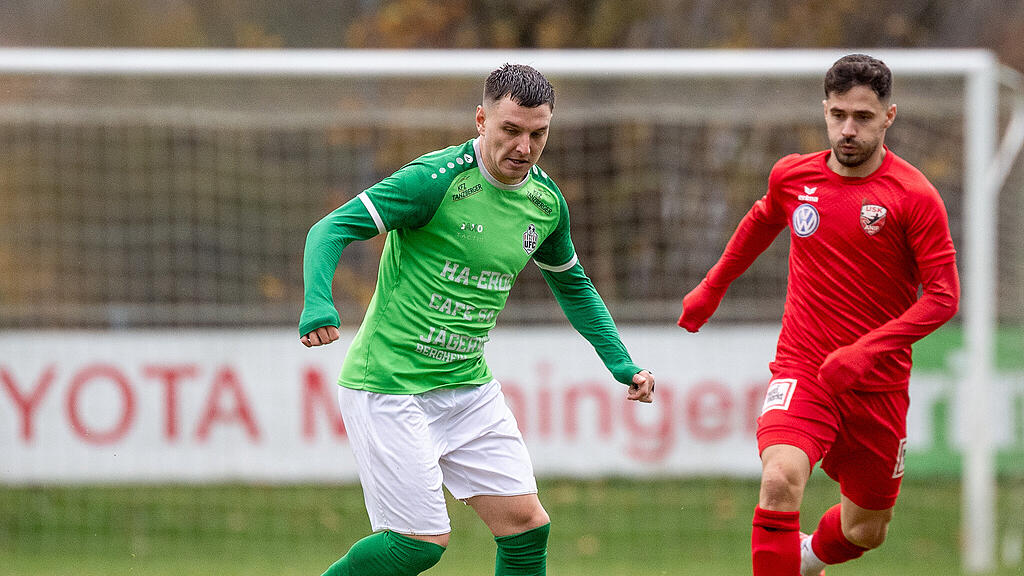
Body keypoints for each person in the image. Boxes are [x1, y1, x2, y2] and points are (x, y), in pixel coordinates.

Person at [299, 63, 655, 576]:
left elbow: (573, 284)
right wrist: (318, 302)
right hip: (389, 385)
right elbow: (329, 230)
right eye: (510, 130)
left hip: (465, 386)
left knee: (526, 528)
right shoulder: (433, 181)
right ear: (481, 120)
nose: (524, 148)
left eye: (538, 134)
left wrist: (622, 364)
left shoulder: (545, 203)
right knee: (416, 544)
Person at [677, 54, 959, 576]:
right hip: (804, 369)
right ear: (825, 111)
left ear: (889, 117)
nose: (847, 130)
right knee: (780, 479)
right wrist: (711, 289)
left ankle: (806, 557)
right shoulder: (793, 176)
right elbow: (762, 220)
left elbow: (944, 297)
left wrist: (865, 351)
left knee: (866, 529)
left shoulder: (914, 197)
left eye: (863, 117)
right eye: (837, 115)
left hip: (877, 384)